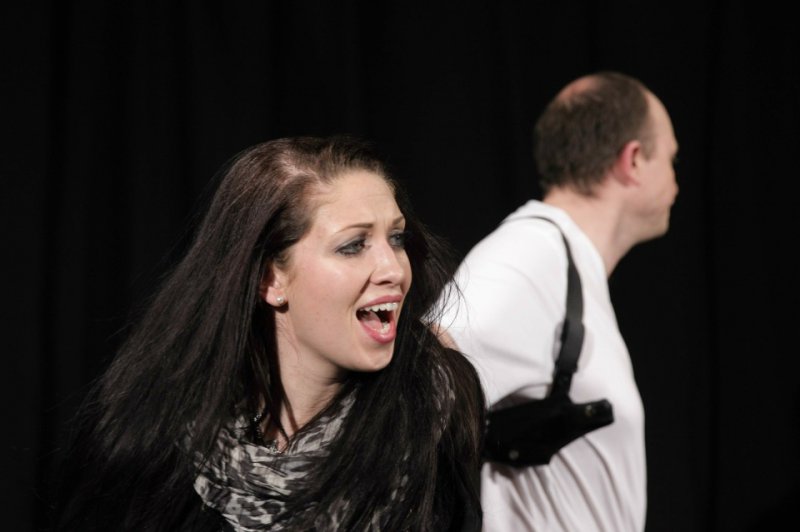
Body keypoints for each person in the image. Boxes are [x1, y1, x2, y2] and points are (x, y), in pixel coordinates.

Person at [51, 135, 486, 531]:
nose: (394, 268)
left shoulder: (433, 408)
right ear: (270, 279)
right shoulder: (160, 439)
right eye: (353, 246)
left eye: (396, 238)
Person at [437, 71, 679, 531]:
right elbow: (413, 388)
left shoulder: (564, 263)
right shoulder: (530, 255)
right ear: (633, 160)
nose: (676, 181)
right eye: (671, 158)